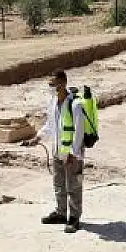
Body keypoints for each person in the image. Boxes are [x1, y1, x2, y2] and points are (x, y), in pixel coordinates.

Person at [21, 70, 87, 233]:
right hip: (57, 150)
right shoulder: (52, 102)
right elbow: (50, 125)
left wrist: (73, 153)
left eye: (53, 84)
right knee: (58, 183)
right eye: (49, 84)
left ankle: (74, 218)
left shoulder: (75, 105)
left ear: (62, 83)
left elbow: (79, 131)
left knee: (73, 186)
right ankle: (60, 213)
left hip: (72, 153)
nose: (50, 87)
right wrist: (38, 137)